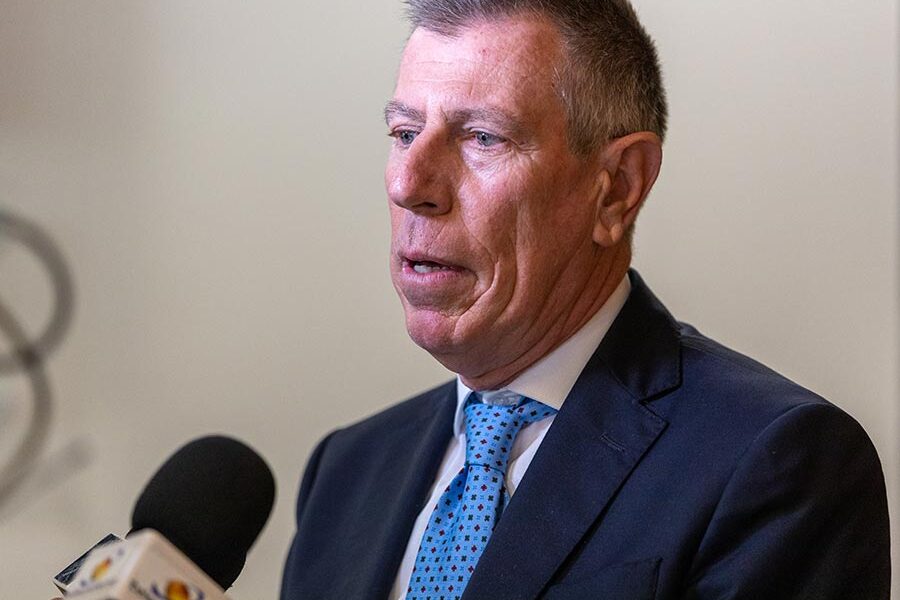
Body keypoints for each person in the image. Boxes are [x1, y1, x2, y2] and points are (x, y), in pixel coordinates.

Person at [280, 1, 891, 598]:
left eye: (483, 138)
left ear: (617, 188)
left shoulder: (776, 463)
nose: (408, 184)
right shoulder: (346, 471)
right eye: (405, 133)